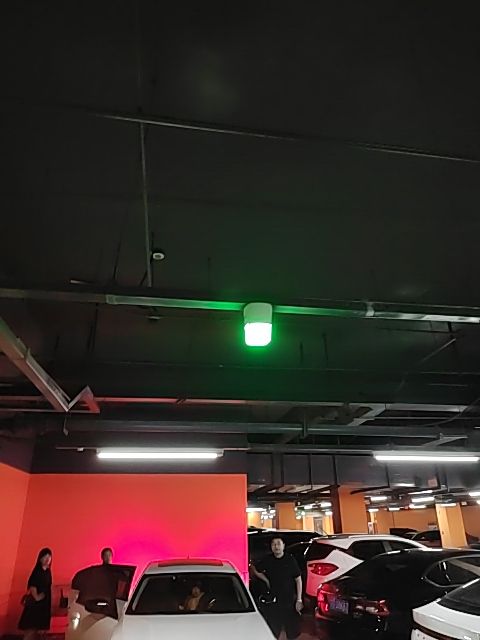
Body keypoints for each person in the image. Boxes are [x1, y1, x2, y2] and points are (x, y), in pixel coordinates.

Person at [251, 537, 303, 640]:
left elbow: (298, 579)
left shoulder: (290, 560)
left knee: (292, 630)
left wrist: (299, 599)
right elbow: (255, 569)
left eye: (278, 543)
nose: (276, 546)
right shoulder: (268, 560)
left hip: (289, 600)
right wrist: (266, 580)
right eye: (274, 544)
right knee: (274, 628)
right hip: (274, 600)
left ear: (283, 545)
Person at [18, 548, 53, 640]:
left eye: (49, 557)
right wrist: (37, 597)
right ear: (40, 558)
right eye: (45, 557)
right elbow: (32, 585)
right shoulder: (37, 571)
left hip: (44, 603)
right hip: (36, 604)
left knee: (39, 629)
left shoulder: (48, 571)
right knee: (31, 628)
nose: (47, 559)